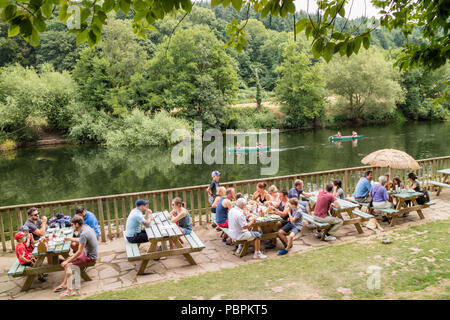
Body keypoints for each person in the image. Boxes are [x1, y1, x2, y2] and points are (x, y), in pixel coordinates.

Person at [54, 216, 98, 297]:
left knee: (67, 265)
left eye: (72, 224)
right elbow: (82, 240)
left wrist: (67, 261)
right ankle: (64, 284)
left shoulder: (84, 233)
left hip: (90, 257)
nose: (72, 226)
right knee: (67, 260)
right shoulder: (86, 228)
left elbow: (79, 252)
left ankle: (69, 291)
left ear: (77, 224)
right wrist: (70, 239)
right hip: (87, 253)